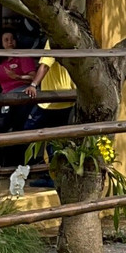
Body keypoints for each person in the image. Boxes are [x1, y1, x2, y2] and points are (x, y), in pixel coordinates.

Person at [0, 30, 37, 168]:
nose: (10, 42)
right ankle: (3, 164)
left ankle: (11, 165)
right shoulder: (1, 62)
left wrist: (18, 77)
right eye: (6, 40)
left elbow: (33, 77)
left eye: (12, 39)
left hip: (20, 97)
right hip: (6, 98)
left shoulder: (23, 57)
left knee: (5, 129)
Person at [23, 45, 76, 188]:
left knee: (30, 132)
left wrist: (34, 84)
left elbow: (45, 65)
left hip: (52, 100)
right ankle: (53, 174)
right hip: (67, 98)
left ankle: (47, 173)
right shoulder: (70, 41)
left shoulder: (52, 41)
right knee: (56, 139)